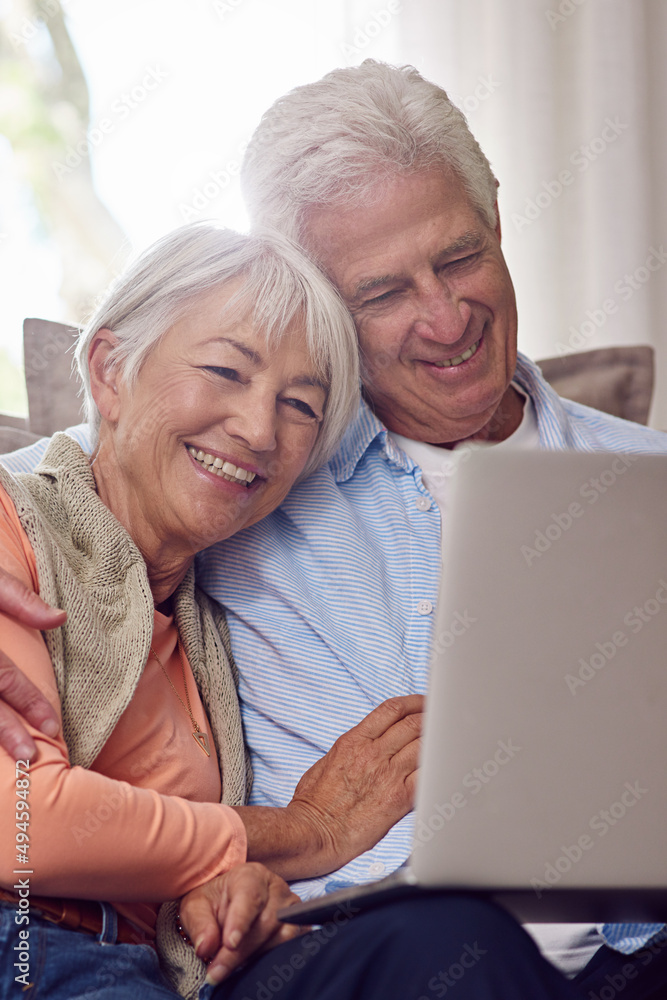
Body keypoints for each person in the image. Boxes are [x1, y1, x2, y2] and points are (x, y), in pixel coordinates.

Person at [3, 60, 667, 998]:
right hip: (353, 941)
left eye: (458, 257)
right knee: (441, 945)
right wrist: (300, 836)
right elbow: (115, 457)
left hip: (637, 946)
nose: (445, 317)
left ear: (499, 229)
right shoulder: (247, 474)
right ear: (313, 310)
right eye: (381, 293)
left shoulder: (647, 482)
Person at [0, 222, 431, 999]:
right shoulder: (13, 521)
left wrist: (236, 889)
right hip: (23, 943)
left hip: (145, 970)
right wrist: (304, 833)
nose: (260, 430)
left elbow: (163, 863)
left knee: (430, 943)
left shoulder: (216, 626)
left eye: (300, 405)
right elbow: (22, 823)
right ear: (110, 372)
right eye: (226, 371)